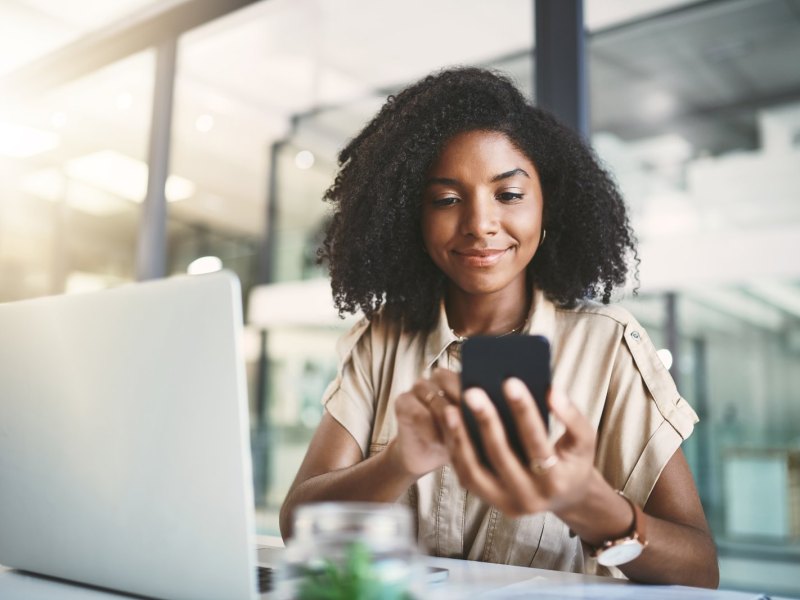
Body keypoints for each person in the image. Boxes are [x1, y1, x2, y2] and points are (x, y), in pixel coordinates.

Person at [279, 67, 719, 587]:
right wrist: (398, 461)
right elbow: (296, 525)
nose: (480, 224)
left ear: (546, 206)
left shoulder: (608, 346)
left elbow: (700, 571)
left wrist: (589, 502)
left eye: (508, 195)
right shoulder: (383, 340)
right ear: (409, 219)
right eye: (446, 200)